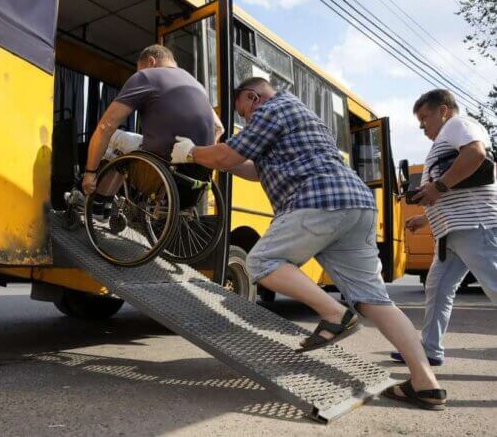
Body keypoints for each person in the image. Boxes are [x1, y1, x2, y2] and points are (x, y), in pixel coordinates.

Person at [171, 77, 446, 410]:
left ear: (253, 97)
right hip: (355, 204)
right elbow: (252, 168)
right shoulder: (303, 115)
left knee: (261, 262)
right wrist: (207, 158)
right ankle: (425, 383)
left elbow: (227, 157)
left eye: (243, 112)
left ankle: (334, 314)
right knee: (374, 299)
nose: (245, 120)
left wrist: (191, 153)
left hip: (318, 201)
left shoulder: (272, 108)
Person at [390, 89, 497, 367]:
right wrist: (425, 217)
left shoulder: (458, 125)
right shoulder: (446, 139)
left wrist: (437, 187)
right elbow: (454, 191)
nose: (422, 125)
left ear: (444, 110)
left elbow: (475, 154)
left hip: (475, 225)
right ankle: (429, 350)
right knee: (437, 291)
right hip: (451, 233)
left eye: (425, 117)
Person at [82, 44, 224, 219]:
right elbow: (219, 128)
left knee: (113, 136)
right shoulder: (197, 86)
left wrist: (90, 173)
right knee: (126, 143)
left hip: (159, 165)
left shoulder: (146, 76)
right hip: (195, 172)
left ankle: (98, 205)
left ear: (151, 61)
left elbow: (106, 126)